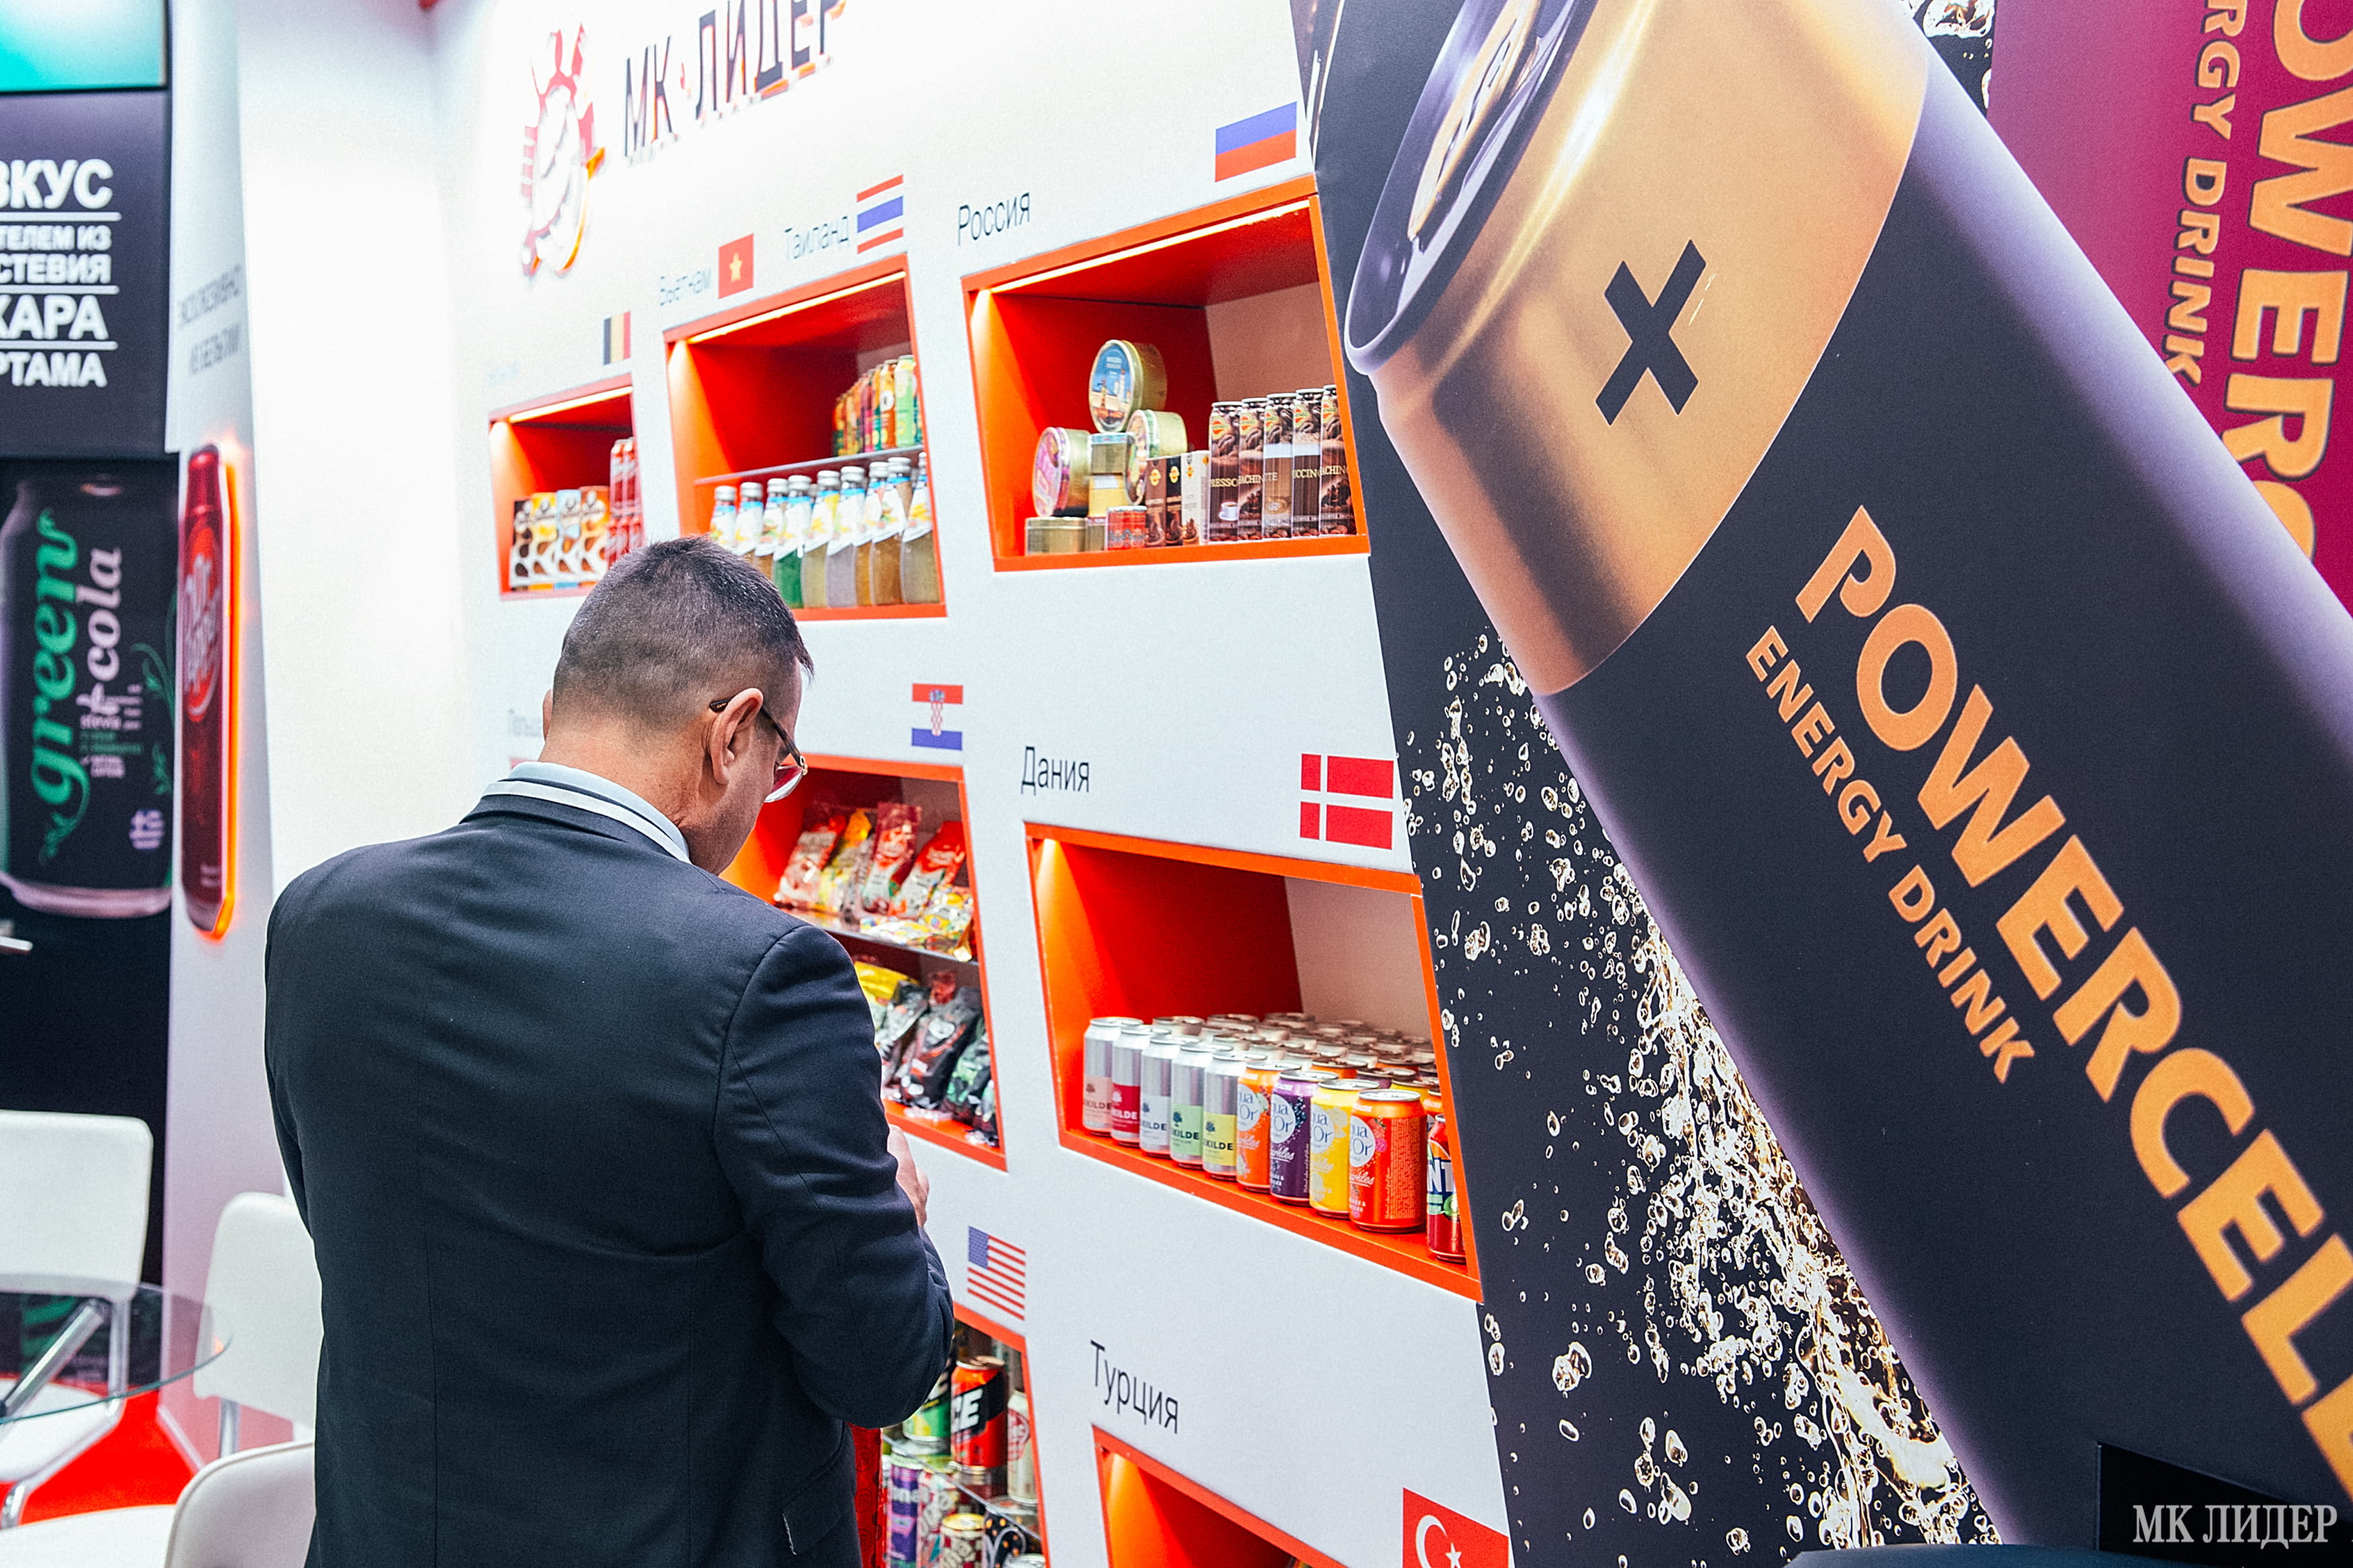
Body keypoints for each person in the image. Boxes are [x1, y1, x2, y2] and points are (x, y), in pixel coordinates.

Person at [265, 537, 953, 1567]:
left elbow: (357, 1223)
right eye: (780, 765)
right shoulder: (762, 975)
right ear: (732, 735)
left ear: (556, 711)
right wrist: (896, 1213)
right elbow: (880, 1363)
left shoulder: (321, 918)